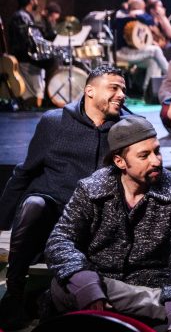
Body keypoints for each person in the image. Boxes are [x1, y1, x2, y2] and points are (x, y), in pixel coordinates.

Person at [44, 115, 171, 331]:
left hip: (150, 283)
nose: (156, 161)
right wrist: (88, 284)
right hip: (100, 287)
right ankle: (165, 306)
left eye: (157, 151)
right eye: (144, 155)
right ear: (120, 161)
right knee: (64, 286)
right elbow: (59, 241)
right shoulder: (91, 189)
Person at [0, 65, 127, 330]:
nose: (121, 95)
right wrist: (2, 219)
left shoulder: (126, 128)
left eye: (123, 89)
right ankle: (14, 293)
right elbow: (25, 171)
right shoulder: (54, 122)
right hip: (53, 214)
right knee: (34, 204)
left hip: (95, 219)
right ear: (90, 91)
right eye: (114, 88)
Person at [8, 0, 52, 109]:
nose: (37, 1)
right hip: (25, 57)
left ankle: (44, 99)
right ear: (31, 1)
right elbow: (28, 40)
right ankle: (41, 101)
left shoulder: (25, 15)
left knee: (52, 60)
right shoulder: (21, 16)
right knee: (51, 62)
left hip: (29, 55)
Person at [114, 0, 169, 92]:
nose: (144, 12)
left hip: (132, 53)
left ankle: (149, 92)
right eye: (143, 9)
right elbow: (150, 19)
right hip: (121, 53)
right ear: (137, 8)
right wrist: (138, 13)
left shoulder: (136, 17)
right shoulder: (121, 15)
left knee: (153, 61)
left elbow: (149, 21)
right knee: (155, 50)